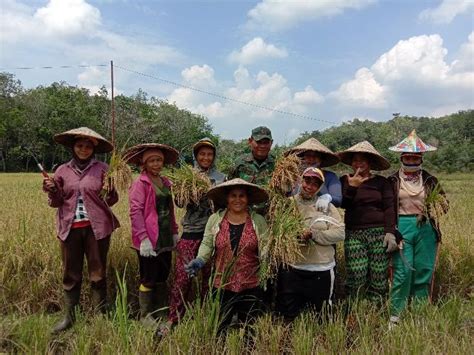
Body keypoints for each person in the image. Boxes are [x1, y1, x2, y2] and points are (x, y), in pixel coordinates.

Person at [43, 127, 119, 334]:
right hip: (70, 228)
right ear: (73, 147)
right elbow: (56, 202)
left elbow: (112, 200)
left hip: (97, 229)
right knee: (71, 273)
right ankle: (70, 317)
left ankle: (100, 314)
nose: (83, 149)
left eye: (87, 146)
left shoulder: (103, 168)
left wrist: (110, 188)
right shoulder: (62, 171)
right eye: (79, 145)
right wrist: (51, 190)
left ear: (94, 149)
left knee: (98, 272)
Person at [185, 178, 269, 328]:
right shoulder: (215, 219)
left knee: (250, 326)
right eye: (233, 196)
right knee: (221, 325)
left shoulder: (258, 221)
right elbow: (207, 243)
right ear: (226, 199)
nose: (238, 199)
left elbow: (266, 248)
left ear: (248, 199)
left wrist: (267, 274)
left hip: (251, 284)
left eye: (242, 195)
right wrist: (199, 260)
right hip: (221, 283)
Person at [387, 130, 449, 327]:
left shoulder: (430, 180)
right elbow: (387, 208)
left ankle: (420, 315)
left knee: (424, 270)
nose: (412, 160)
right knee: (402, 272)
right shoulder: (393, 180)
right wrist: (391, 230)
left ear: (421, 158)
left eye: (416, 156)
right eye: (408, 156)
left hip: (425, 227)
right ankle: (396, 316)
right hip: (402, 227)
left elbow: (444, 205)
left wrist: (437, 204)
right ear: (402, 157)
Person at [165, 138, 225, 330]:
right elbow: (180, 204)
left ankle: (208, 315)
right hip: (192, 231)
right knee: (183, 277)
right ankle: (174, 318)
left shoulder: (221, 178)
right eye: (202, 154)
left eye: (209, 154)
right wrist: (188, 191)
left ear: (214, 157)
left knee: (211, 278)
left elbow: (224, 205)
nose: (206, 158)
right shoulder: (187, 175)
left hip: (214, 232)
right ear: (196, 156)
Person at [276, 167, 345, 320]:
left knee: (322, 316)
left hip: (321, 268)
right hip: (293, 267)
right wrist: (295, 235)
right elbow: (278, 231)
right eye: (307, 181)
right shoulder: (288, 205)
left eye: (315, 184)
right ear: (300, 181)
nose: (309, 186)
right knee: (288, 315)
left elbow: (340, 233)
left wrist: (314, 235)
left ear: (320, 187)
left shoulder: (327, 207)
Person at [125, 143, 179, 326]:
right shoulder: (140, 184)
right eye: (152, 161)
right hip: (149, 239)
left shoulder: (165, 183)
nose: (156, 164)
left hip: (164, 237)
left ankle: (161, 310)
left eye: (159, 160)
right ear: (145, 163)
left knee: (163, 275)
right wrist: (143, 239)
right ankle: (145, 315)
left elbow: (170, 210)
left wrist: (174, 232)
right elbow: (135, 212)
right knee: (148, 277)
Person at [338, 141, 397, 302]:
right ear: (351, 163)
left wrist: (390, 232)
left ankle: (375, 310)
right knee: (356, 275)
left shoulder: (382, 182)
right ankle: (353, 308)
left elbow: (389, 208)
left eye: (362, 160)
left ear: (370, 163)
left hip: (379, 234)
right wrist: (353, 187)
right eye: (355, 160)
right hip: (354, 234)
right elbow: (343, 204)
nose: (359, 164)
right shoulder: (344, 180)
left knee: (379, 275)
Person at [286, 137, 342, 210]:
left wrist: (327, 197)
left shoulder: (330, 176)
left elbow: (338, 200)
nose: (311, 159)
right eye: (308, 156)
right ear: (302, 158)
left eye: (316, 156)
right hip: (294, 215)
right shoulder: (292, 176)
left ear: (321, 159)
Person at [229, 126, 275, 213]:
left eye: (266, 142)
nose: (262, 146)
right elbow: (228, 190)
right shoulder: (239, 164)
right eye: (258, 142)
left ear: (271, 143)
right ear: (250, 141)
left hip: (271, 217)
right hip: (244, 216)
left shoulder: (278, 166)